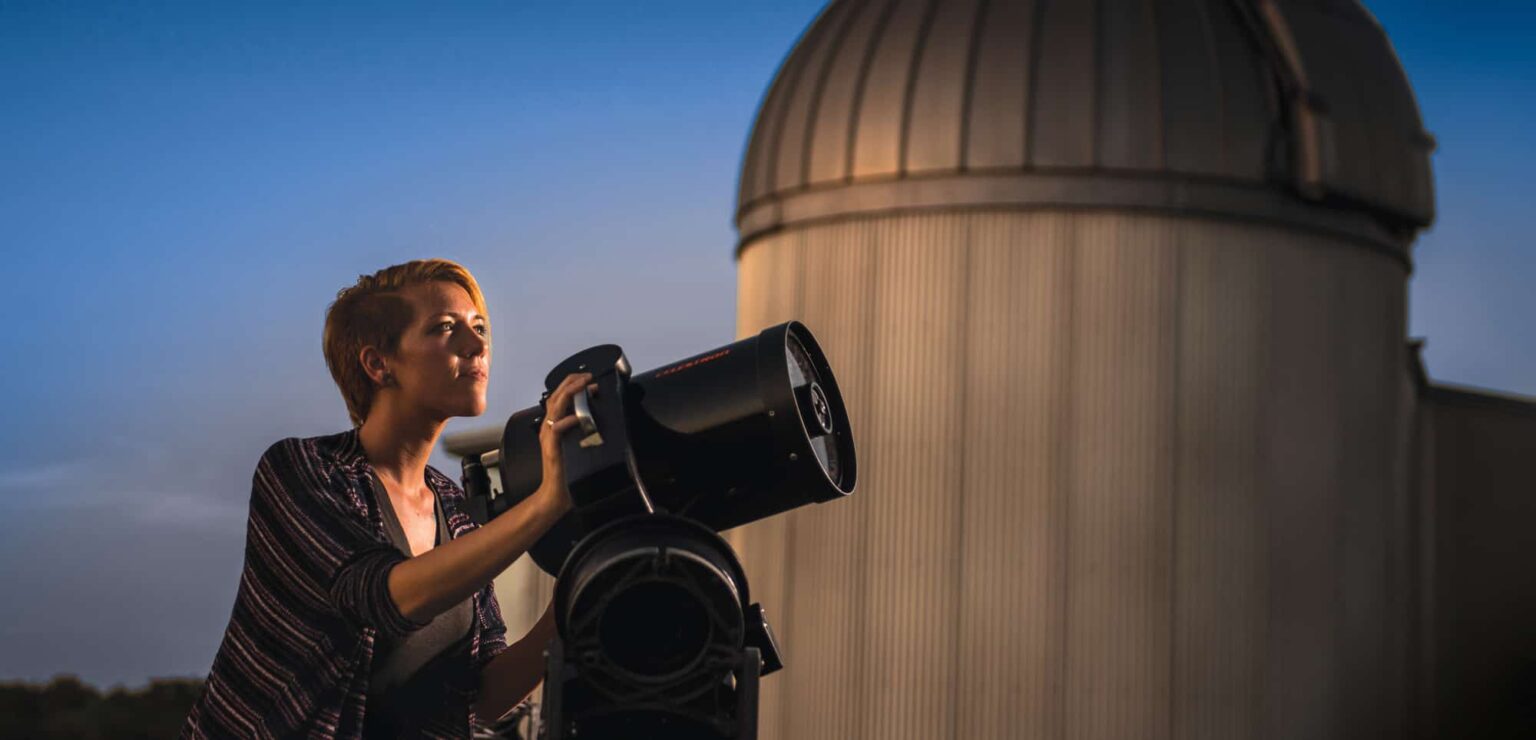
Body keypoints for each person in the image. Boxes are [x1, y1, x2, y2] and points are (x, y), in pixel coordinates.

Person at [182, 259, 593, 738]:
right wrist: (546, 503)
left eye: (479, 327)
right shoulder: (302, 470)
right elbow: (383, 596)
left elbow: (481, 699)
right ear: (379, 364)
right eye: (445, 328)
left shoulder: (453, 508)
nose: (478, 345)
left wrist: (575, 597)